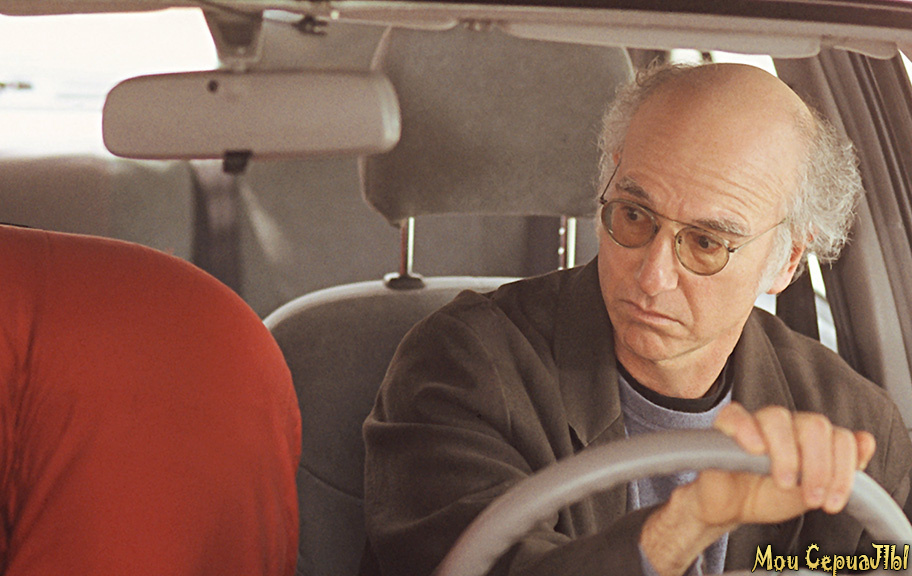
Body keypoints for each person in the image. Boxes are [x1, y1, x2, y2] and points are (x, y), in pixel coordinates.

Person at [361, 62, 912, 576]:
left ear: (787, 260)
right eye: (633, 215)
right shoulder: (464, 366)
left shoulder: (856, 426)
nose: (652, 276)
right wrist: (685, 525)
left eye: (706, 243)